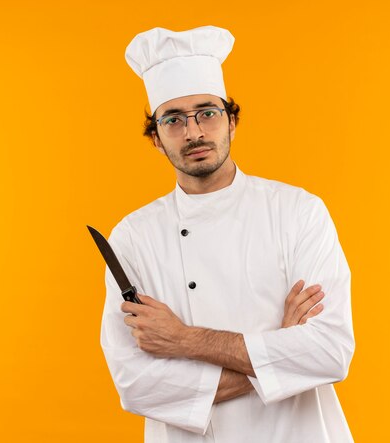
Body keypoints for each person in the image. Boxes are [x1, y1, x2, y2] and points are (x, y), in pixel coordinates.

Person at [100, 26, 355, 442]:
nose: (194, 132)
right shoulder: (132, 237)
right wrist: (280, 351)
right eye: (173, 119)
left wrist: (183, 340)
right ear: (157, 139)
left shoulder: (298, 212)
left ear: (232, 122)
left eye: (208, 112)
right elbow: (134, 384)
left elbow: (329, 352)